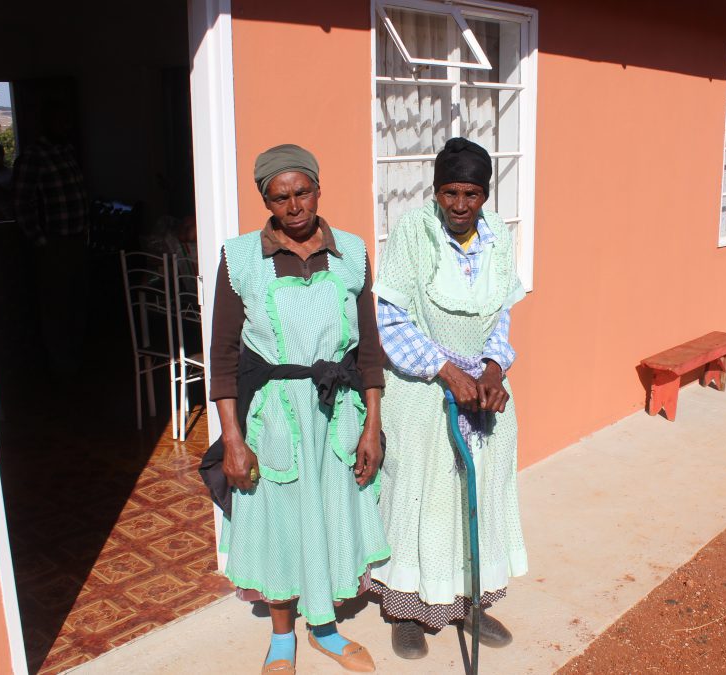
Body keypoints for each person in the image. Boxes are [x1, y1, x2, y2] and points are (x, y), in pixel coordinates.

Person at [209, 144, 390, 674]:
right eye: (280, 197)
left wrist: (373, 428)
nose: (294, 206)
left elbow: (369, 352)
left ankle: (326, 630)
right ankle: (283, 636)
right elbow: (222, 356)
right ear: (265, 199)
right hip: (275, 417)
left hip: (338, 413)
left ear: (317, 187)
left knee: (332, 518)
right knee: (281, 523)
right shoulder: (240, 258)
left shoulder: (351, 252)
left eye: (302, 192)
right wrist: (234, 439)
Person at [370, 137, 528, 658]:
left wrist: (491, 370)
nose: (460, 205)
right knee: (419, 496)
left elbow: (502, 316)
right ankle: (406, 610)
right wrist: (447, 372)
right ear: (435, 191)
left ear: (485, 195)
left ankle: (468, 605)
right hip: (421, 389)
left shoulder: (498, 237)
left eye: (472, 194)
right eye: (450, 193)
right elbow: (391, 322)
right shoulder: (413, 233)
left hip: (483, 393)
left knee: (477, 497)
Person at [12, 102, 90, 378]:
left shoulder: (67, 152)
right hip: (53, 244)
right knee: (56, 306)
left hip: (76, 240)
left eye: (67, 122)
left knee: (76, 301)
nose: (66, 127)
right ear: (48, 125)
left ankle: (77, 360)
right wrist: (40, 240)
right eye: (60, 122)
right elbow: (22, 203)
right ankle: (62, 367)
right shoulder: (34, 157)